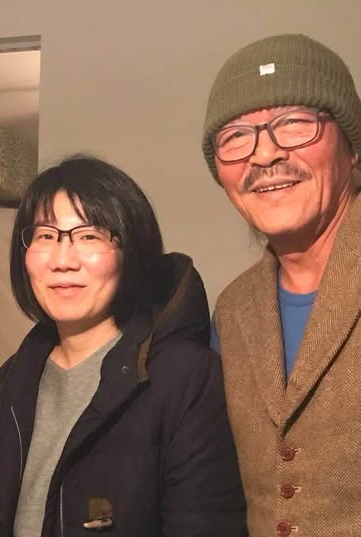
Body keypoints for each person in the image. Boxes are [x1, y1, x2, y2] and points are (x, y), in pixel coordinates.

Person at [0, 155, 246, 537]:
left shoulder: (186, 378)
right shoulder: (9, 381)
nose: (63, 260)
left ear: (131, 252)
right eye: (46, 236)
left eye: (89, 236)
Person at [202, 34, 361, 537]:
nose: (266, 154)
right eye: (235, 137)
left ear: (352, 150)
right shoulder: (233, 308)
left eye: (294, 122)